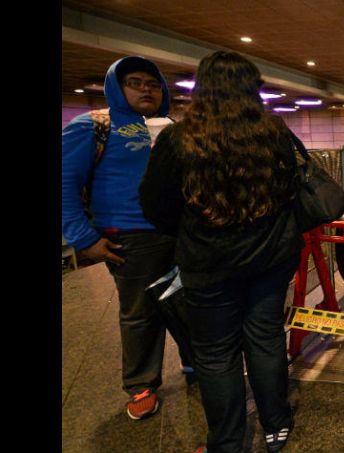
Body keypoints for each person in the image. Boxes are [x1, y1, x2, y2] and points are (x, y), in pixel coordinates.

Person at [139, 51, 304, 453]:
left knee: (215, 354)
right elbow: (291, 190)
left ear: (203, 87)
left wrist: (194, 233)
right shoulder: (274, 132)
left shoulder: (179, 139)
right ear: (252, 88)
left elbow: (155, 204)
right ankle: (276, 425)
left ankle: (228, 441)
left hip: (208, 265)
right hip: (269, 259)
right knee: (265, 338)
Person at [61, 55, 194, 421]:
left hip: (180, 234)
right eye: (135, 82)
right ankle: (141, 383)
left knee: (189, 302)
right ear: (116, 87)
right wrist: (84, 238)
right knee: (139, 314)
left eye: (152, 84)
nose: (146, 89)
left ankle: (194, 361)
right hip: (131, 238)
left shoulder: (170, 127)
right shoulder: (93, 126)